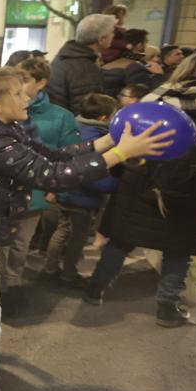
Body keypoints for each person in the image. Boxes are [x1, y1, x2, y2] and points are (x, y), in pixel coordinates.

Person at [0, 68, 173, 391]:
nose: (28, 98)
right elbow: (49, 175)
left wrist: (106, 143)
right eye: (19, 94)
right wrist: (117, 156)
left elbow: (50, 155)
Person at [86, 52, 196, 326]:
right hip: (188, 188)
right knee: (178, 248)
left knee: (121, 238)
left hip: (140, 179)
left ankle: (96, 288)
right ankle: (167, 307)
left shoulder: (155, 99)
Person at [0, 57, 80, 313]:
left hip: (34, 191)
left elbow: (69, 155)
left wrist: (56, 188)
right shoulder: (2, 107)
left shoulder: (60, 117)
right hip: (1, 190)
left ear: (42, 82)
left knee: (20, 243)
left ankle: (10, 286)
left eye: (24, 79)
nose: (18, 85)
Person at [40, 93, 119, 284]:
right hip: (82, 197)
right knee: (78, 237)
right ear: (103, 118)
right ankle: (69, 273)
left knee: (62, 231)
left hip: (65, 193)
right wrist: (112, 185)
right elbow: (91, 172)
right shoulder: (98, 138)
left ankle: (50, 268)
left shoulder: (74, 128)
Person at [48, 13, 113, 113]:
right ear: (101, 39)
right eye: (111, 33)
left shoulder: (66, 56)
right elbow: (86, 109)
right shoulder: (83, 66)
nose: (113, 36)